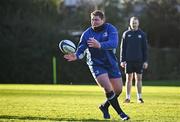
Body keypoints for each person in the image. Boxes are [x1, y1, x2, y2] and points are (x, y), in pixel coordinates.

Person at [64, 10, 129, 120]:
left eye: (96, 20)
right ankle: (121, 114)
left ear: (103, 20)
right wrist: (76, 56)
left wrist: (99, 45)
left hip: (110, 63)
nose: (94, 22)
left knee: (118, 90)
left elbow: (114, 43)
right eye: (92, 20)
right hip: (96, 64)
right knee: (108, 88)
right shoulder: (87, 34)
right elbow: (81, 50)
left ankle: (104, 106)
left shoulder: (110, 29)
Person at [120, 16, 148, 103]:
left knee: (139, 79)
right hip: (128, 61)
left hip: (139, 61)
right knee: (128, 79)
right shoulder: (126, 34)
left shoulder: (142, 34)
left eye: (135, 23)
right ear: (130, 23)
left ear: (138, 23)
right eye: (132, 23)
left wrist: (145, 61)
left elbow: (145, 49)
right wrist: (122, 60)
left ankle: (139, 98)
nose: (134, 24)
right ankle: (127, 98)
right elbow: (122, 48)